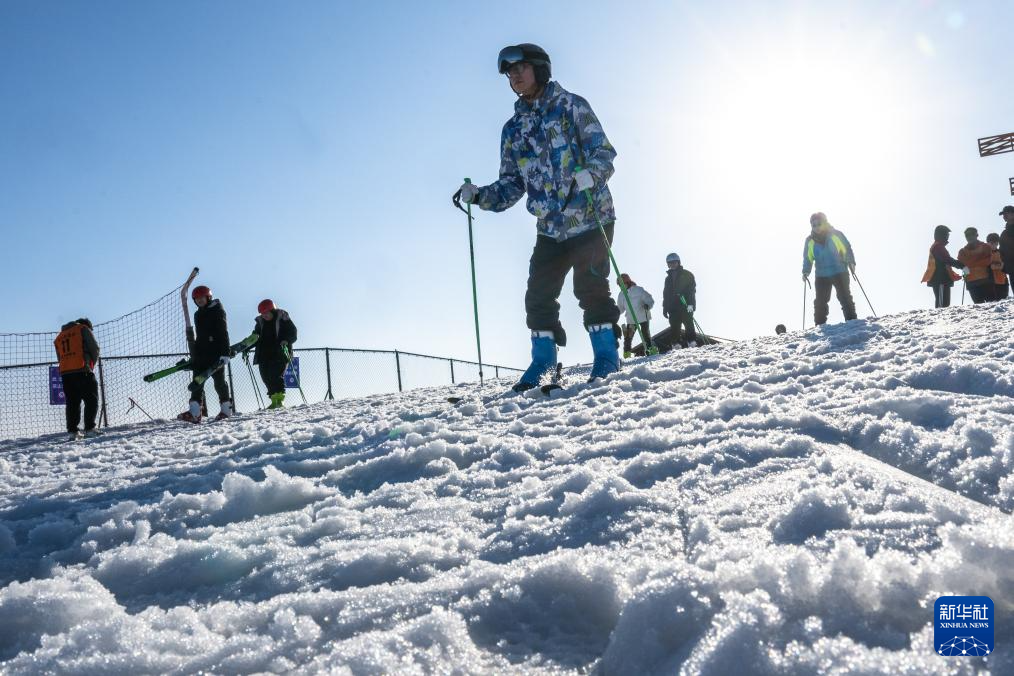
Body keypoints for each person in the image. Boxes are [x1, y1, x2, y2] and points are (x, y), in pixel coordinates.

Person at [454, 43, 621, 390]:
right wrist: (481, 195)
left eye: (521, 68)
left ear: (540, 69)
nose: (514, 76)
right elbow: (512, 184)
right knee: (538, 295)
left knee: (590, 286)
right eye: (509, 72)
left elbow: (603, 152)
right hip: (550, 227)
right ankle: (543, 362)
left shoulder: (571, 106)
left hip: (589, 215)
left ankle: (606, 358)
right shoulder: (513, 130)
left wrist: (592, 172)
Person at [179, 285, 234, 422]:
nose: (199, 300)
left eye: (202, 298)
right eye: (196, 299)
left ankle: (226, 410)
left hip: (216, 353)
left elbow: (223, 332)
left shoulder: (217, 310)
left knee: (219, 382)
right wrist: (194, 355)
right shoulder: (198, 314)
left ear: (208, 297)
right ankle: (195, 413)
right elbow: (200, 336)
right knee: (197, 382)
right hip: (202, 354)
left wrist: (225, 353)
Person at [802, 212, 858, 325]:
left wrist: (851, 262)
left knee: (845, 297)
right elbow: (808, 258)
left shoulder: (835, 234)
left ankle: (852, 323)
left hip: (839, 271)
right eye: (814, 225)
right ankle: (820, 326)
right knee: (820, 302)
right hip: (822, 275)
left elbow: (846, 248)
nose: (817, 227)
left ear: (825, 223)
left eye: (819, 224)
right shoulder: (810, 241)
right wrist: (805, 271)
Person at [54, 318, 101, 439]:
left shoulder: (60, 336)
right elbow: (95, 348)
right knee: (91, 399)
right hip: (82, 370)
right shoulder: (83, 329)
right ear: (87, 326)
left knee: (72, 403)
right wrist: (91, 365)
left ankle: (73, 432)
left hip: (66, 373)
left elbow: (59, 357)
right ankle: (90, 428)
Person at [247, 299, 297, 409]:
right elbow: (254, 337)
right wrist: (246, 347)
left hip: (279, 353)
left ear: (272, 310)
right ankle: (274, 400)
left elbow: (293, 332)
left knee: (275, 375)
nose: (264, 315)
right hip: (264, 355)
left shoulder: (282, 318)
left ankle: (280, 400)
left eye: (266, 313)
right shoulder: (260, 323)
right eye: (262, 314)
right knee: (266, 377)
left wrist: (286, 340)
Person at [921, 225, 966, 308]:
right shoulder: (937, 247)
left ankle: (942, 320)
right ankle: (938, 320)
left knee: (945, 303)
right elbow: (947, 259)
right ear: (941, 235)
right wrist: (962, 266)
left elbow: (946, 260)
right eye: (946, 235)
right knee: (941, 305)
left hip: (942, 278)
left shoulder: (939, 246)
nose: (947, 237)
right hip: (939, 279)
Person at [661, 253, 697, 347]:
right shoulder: (668, 279)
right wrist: (665, 308)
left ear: (678, 262)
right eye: (670, 263)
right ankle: (676, 344)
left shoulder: (687, 274)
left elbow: (691, 291)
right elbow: (666, 294)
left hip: (684, 303)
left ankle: (692, 342)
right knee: (674, 326)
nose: (672, 264)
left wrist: (691, 305)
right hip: (673, 307)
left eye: (674, 262)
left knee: (688, 323)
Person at [615, 274, 655, 358]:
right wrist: (615, 312)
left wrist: (648, 305)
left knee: (645, 334)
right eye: (619, 285)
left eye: (622, 284)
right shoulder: (621, 294)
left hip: (643, 316)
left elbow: (649, 299)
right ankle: (627, 354)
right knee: (628, 337)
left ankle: (650, 351)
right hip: (631, 319)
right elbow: (620, 308)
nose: (621, 286)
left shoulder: (638, 290)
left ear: (628, 282)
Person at [957, 227, 994, 304]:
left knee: (991, 306)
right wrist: (978, 261)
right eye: (967, 235)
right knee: (980, 308)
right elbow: (963, 266)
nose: (969, 237)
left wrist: (969, 263)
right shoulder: (962, 251)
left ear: (977, 235)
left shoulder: (985, 247)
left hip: (986, 282)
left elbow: (988, 261)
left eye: (971, 234)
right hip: (972, 283)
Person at [986, 233, 1009, 300]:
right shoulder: (985, 254)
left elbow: (1005, 266)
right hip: (990, 283)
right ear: (988, 243)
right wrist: (999, 266)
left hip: (1003, 281)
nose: (993, 244)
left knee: (1004, 303)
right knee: (992, 304)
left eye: (995, 242)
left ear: (998, 243)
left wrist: (995, 266)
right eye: (991, 242)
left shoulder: (1002, 253)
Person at [999, 205, 1014, 296]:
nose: (1004, 216)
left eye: (1006, 214)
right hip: (1012, 269)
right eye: (1003, 215)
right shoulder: (1004, 234)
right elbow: (1002, 251)